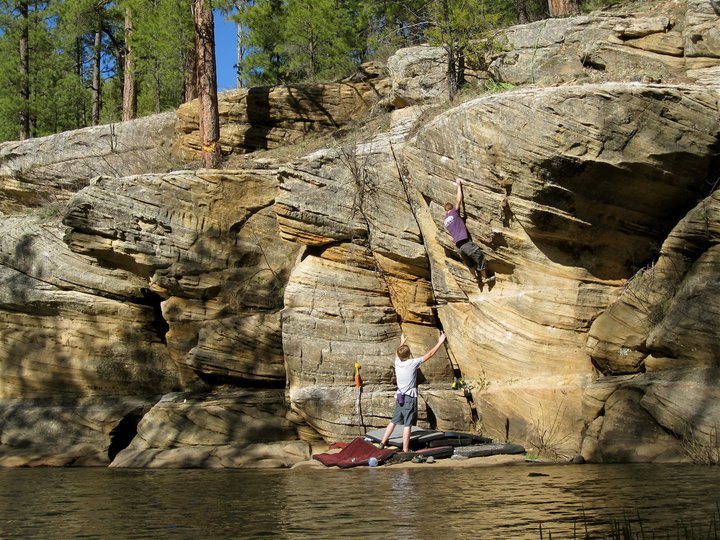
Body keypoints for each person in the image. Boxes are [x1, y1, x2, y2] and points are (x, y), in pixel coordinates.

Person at [378, 331, 447, 453]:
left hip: (399, 396)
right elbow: (430, 354)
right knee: (407, 424)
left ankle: (383, 442)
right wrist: (440, 342)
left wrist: (401, 342)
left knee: (393, 421)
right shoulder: (412, 363)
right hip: (409, 397)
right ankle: (405, 449)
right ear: (409, 354)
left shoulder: (397, 362)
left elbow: (397, 354)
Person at [443, 177, 494, 285]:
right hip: (465, 242)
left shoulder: (445, 221)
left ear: (445, 211)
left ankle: (475, 278)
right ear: (451, 209)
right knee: (479, 256)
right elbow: (458, 199)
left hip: (459, 247)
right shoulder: (453, 213)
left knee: (470, 263)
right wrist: (458, 185)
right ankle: (485, 278)